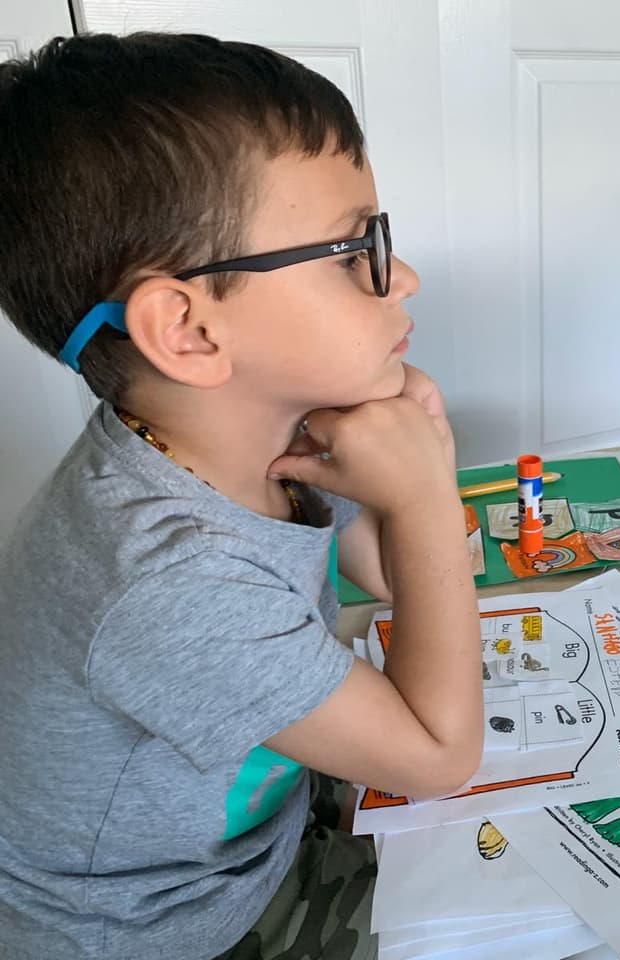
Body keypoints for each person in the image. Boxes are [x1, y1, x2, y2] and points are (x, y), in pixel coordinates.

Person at [0, 34, 485, 960]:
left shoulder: (249, 438)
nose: (403, 276)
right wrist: (425, 496)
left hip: (257, 836)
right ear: (186, 330)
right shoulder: (163, 583)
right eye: (356, 251)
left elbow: (388, 575)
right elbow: (439, 758)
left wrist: (424, 460)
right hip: (167, 931)